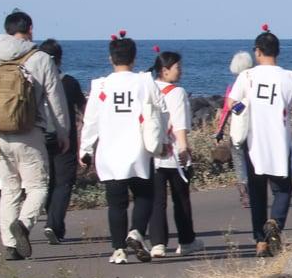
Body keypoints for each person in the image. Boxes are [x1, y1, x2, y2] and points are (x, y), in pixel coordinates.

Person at [0, 10, 70, 260]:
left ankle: (10, 245)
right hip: (29, 132)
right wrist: (63, 132)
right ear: (30, 29)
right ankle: (24, 224)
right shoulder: (41, 59)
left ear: (7, 30)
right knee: (38, 186)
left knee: (10, 187)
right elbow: (56, 101)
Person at [225, 25, 292, 258]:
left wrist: (245, 107)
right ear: (277, 51)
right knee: (283, 189)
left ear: (258, 51)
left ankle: (260, 242)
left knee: (257, 192)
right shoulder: (289, 77)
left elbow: (231, 104)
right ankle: (275, 222)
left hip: (254, 142)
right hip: (280, 140)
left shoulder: (247, 76)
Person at [78, 32, 161, 264]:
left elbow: (91, 120)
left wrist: (85, 149)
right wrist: (163, 140)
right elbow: (160, 110)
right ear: (133, 58)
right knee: (145, 196)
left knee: (116, 204)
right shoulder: (144, 81)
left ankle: (118, 250)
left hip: (110, 153)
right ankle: (136, 232)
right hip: (138, 151)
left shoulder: (101, 85)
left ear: (111, 59)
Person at [148, 49, 202, 257]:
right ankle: (186, 241)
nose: (181, 71)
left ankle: (157, 243)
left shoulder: (147, 89)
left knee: (156, 200)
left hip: (152, 153)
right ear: (165, 70)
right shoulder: (177, 92)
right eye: (178, 67)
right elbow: (180, 124)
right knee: (181, 199)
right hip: (173, 155)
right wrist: (184, 148)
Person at [35, 38, 84, 245]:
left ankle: (53, 223)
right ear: (60, 59)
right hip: (65, 139)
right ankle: (54, 225)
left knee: (46, 182)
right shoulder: (69, 83)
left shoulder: (34, 83)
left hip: (38, 137)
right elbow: (84, 110)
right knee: (63, 183)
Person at [214, 51, 254, 208]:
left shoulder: (235, 85)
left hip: (239, 129)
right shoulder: (258, 81)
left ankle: (244, 191)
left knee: (239, 158)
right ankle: (256, 190)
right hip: (256, 128)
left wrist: (220, 130)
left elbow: (226, 109)